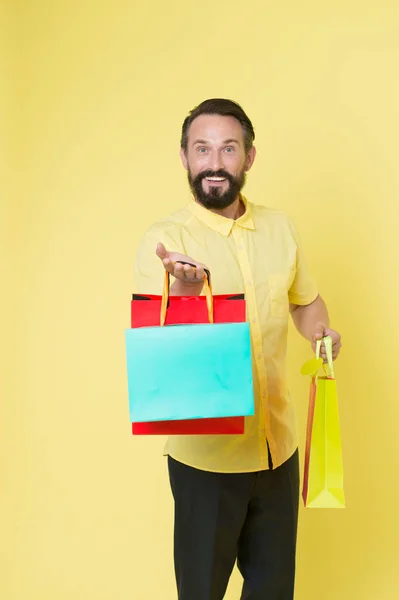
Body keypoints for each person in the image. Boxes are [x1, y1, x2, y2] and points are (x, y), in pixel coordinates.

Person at [134, 98, 342, 600]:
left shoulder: (280, 227)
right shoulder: (165, 240)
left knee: (273, 591)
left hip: (278, 451)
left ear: (249, 157)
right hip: (206, 461)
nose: (214, 162)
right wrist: (183, 293)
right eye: (202, 149)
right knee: (202, 592)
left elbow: (305, 302)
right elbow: (158, 340)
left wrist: (322, 333)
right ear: (184, 158)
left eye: (228, 149)